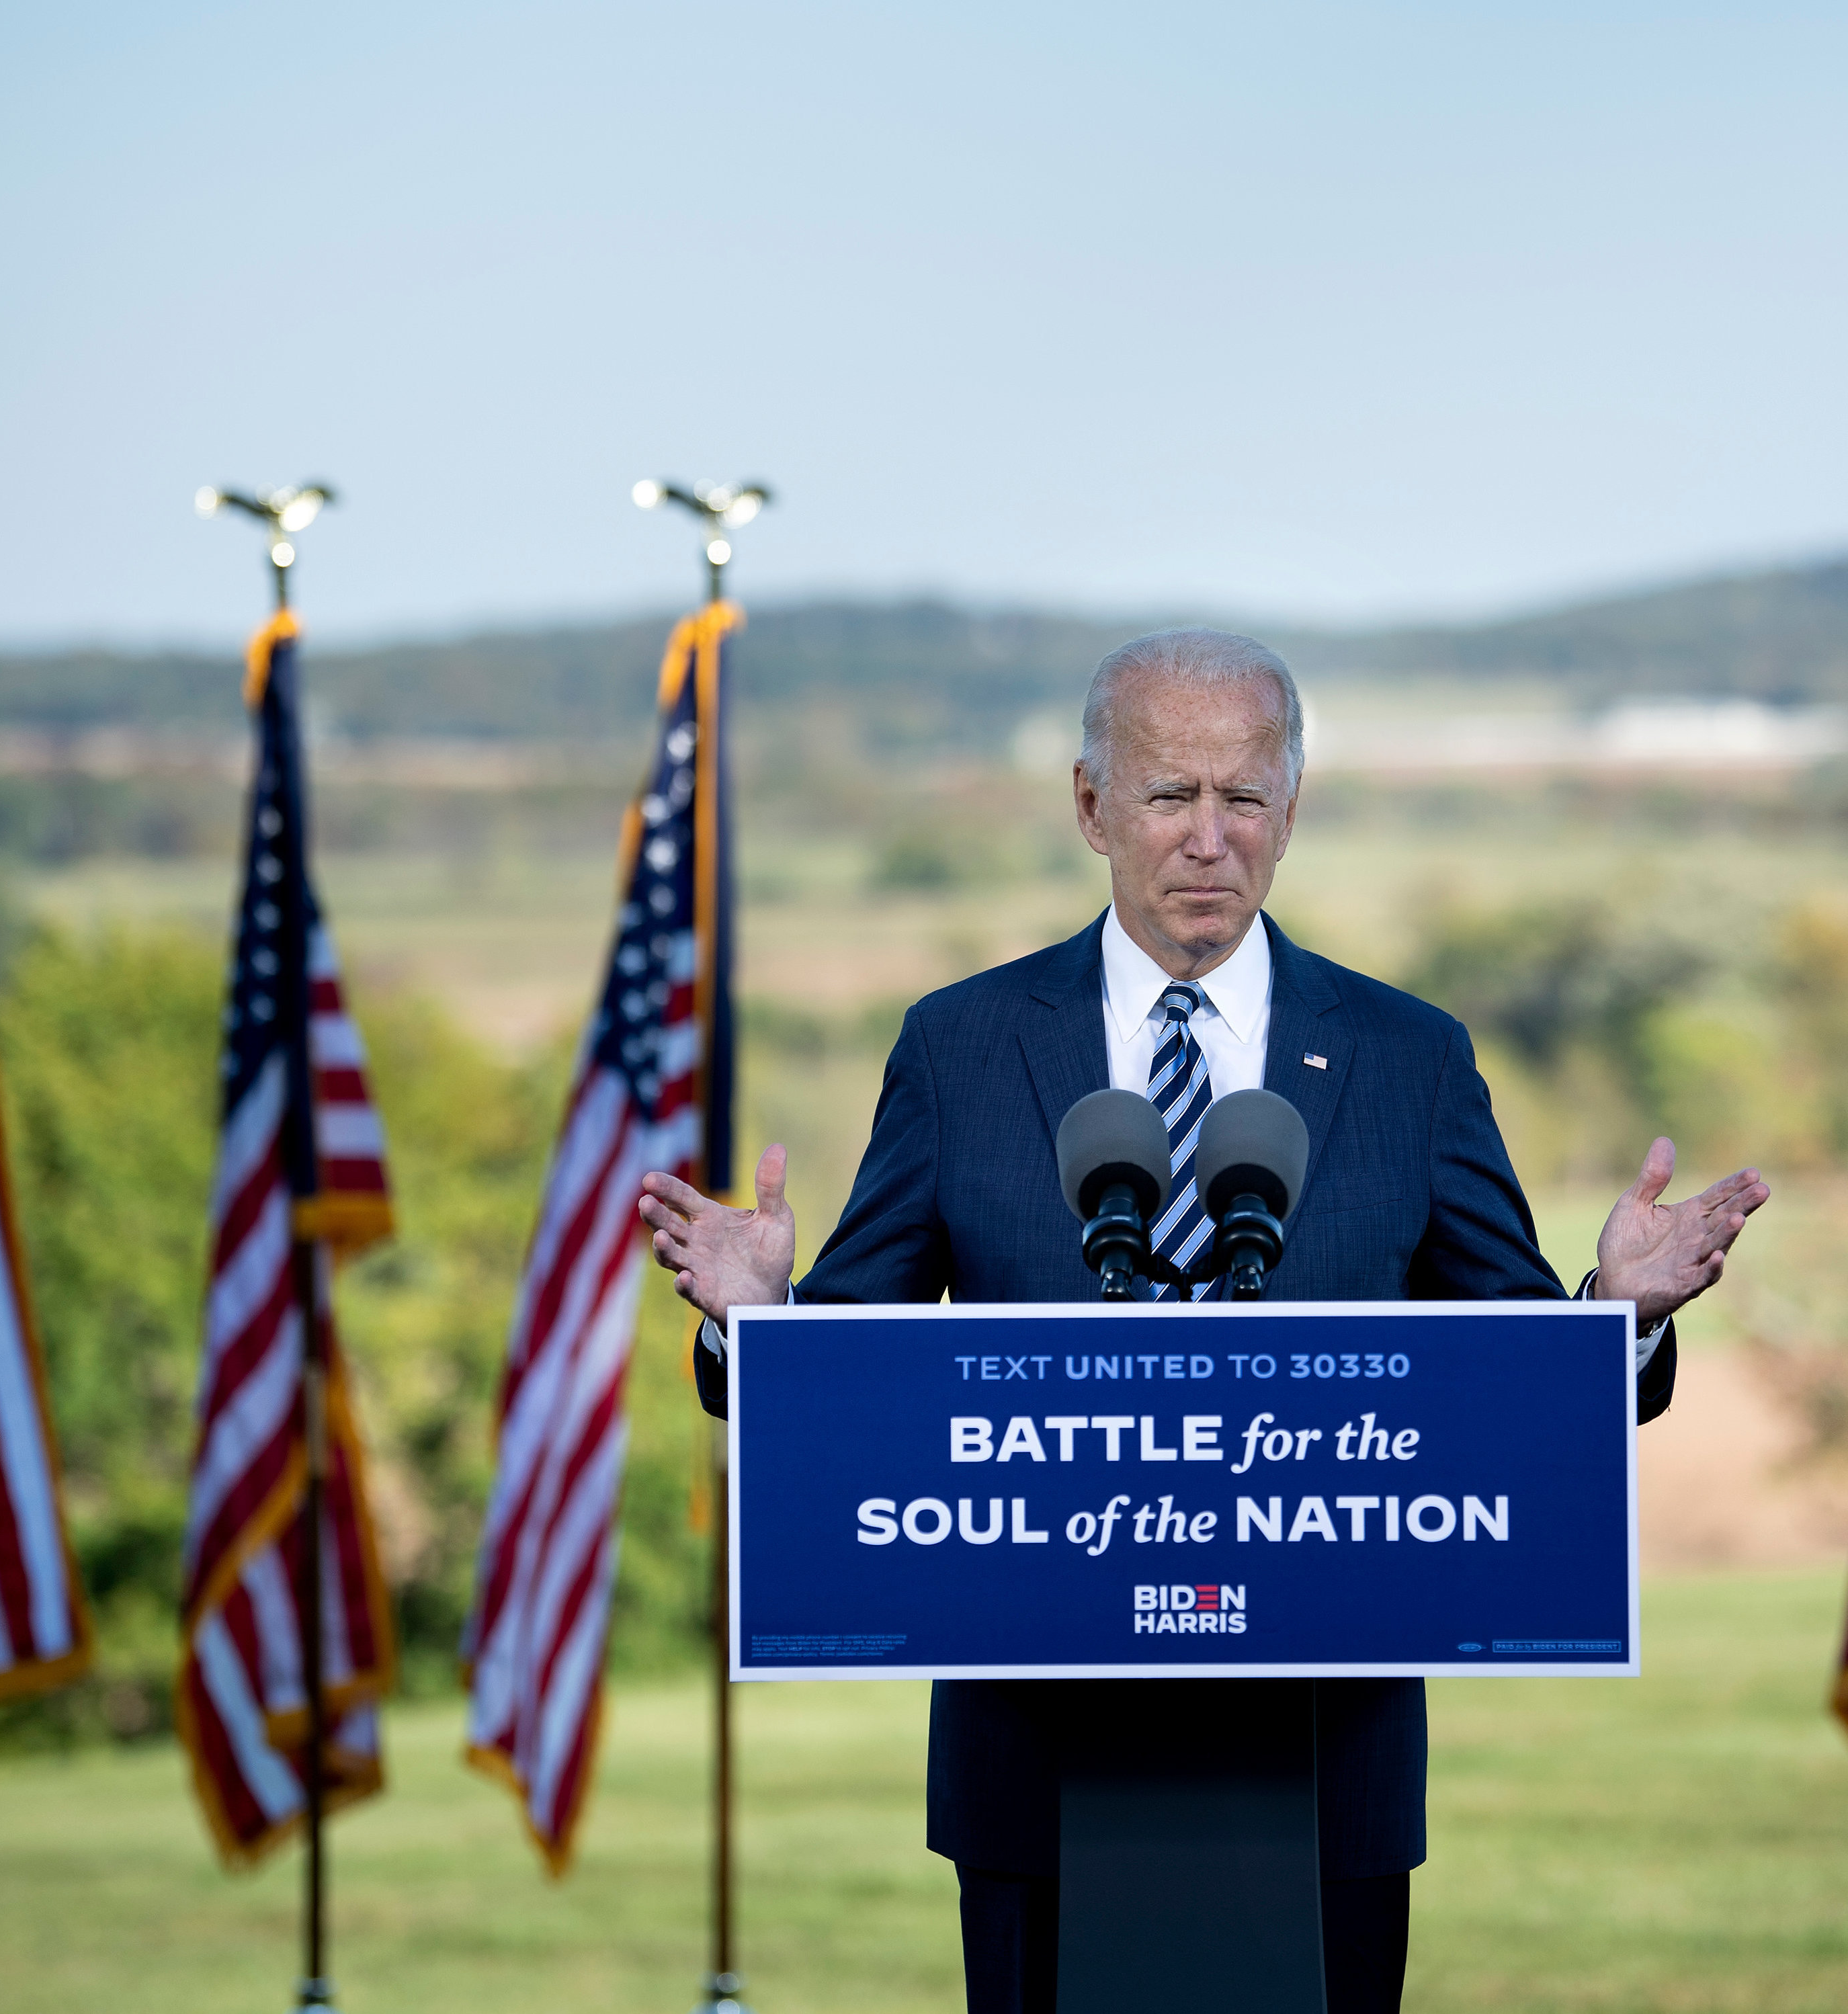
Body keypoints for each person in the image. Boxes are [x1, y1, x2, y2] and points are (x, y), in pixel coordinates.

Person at [640, 628, 1769, 2014]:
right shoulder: (962, 1044)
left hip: (1323, 1760)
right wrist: (761, 1327)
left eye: (1245, 797)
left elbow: (1507, 1382)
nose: (1208, 838)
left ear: (1290, 811)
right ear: (1090, 803)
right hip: (1036, 1763)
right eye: (1170, 794)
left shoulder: (1408, 1056)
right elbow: (859, 1376)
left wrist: (1617, 1316)